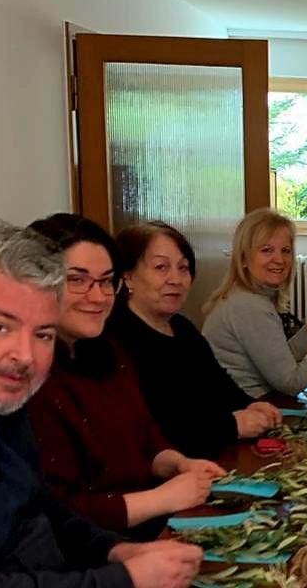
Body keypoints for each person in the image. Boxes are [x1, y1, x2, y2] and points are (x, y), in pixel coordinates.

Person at [0, 220, 201, 588]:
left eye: (43, 334)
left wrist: (114, 551)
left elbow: (40, 508)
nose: (25, 356)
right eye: (0, 327)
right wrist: (123, 579)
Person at [27, 214, 226, 541]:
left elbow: (147, 439)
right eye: (77, 280)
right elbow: (58, 514)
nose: (98, 296)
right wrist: (163, 498)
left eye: (106, 281)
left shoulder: (108, 351)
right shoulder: (30, 379)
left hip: (151, 525)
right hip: (99, 550)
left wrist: (180, 464)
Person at [107, 221, 283, 461]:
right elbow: (159, 426)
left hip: (214, 456)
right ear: (127, 277)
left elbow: (218, 383)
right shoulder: (118, 339)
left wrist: (249, 405)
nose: (176, 279)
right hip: (170, 470)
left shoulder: (182, 327)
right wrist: (231, 425)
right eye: (161, 267)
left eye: (183, 268)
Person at [203, 208, 307, 398]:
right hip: (246, 408)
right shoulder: (248, 307)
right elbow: (291, 382)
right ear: (243, 258)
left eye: (285, 251)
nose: (279, 260)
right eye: (266, 250)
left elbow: (279, 361)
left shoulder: (248, 297)